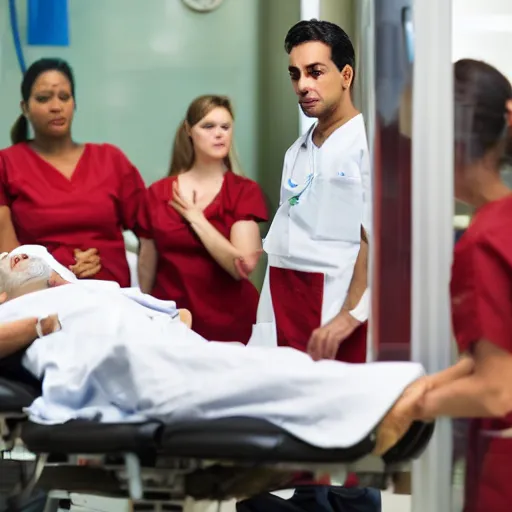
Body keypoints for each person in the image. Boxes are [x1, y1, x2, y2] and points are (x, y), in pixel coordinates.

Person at [0, 248, 427, 459]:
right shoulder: (18, 311)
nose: (16, 255)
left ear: (60, 274)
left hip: (161, 345)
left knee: (256, 362)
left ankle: (382, 395)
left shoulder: (96, 289)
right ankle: (376, 408)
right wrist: (41, 322)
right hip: (116, 363)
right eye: (11, 260)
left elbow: (178, 315)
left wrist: (162, 326)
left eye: (31, 255)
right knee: (228, 378)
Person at [407, 59, 512, 512]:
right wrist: (427, 387)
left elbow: (495, 389)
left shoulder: (482, 242)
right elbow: (495, 354)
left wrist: (407, 411)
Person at [249, 20, 371, 364]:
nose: (302, 85)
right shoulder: (296, 152)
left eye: (315, 72)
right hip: (285, 301)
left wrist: (350, 315)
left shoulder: (366, 147)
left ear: (346, 75)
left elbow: (375, 240)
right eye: (295, 74)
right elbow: (284, 242)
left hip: (338, 309)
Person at [0, 58, 147, 287]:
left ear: (74, 103)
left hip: (113, 299)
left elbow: (152, 233)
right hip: (42, 303)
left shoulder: (111, 160)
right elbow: (8, 260)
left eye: (64, 97)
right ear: (25, 108)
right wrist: (60, 267)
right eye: (43, 98)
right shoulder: (6, 164)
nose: (56, 106)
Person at [137, 95, 268, 344]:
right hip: (173, 325)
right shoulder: (157, 194)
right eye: (208, 126)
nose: (218, 134)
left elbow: (241, 265)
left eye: (225, 127)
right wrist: (145, 318)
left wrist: (197, 220)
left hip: (233, 327)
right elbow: (146, 266)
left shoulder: (244, 191)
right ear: (189, 130)